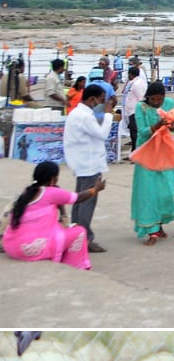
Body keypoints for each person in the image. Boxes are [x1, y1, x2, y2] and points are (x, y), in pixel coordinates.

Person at [3, 161, 100, 270]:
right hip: (32, 249)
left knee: (58, 229)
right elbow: (78, 198)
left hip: (11, 247)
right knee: (79, 231)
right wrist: (95, 190)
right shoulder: (52, 192)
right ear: (53, 178)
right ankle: (74, 265)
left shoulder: (27, 191)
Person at [64, 83, 117, 254]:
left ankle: (77, 235)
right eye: (101, 100)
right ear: (92, 99)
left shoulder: (79, 114)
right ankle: (85, 238)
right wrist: (109, 115)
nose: (102, 103)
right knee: (87, 200)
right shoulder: (84, 116)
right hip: (88, 164)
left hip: (83, 162)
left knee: (80, 200)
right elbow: (102, 134)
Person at [131, 81, 174, 246]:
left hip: (165, 152)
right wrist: (158, 125)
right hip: (146, 153)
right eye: (153, 100)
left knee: (165, 191)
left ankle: (159, 223)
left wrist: (171, 124)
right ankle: (151, 230)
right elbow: (142, 133)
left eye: (160, 99)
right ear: (148, 97)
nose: (157, 103)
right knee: (147, 193)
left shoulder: (170, 104)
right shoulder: (140, 107)